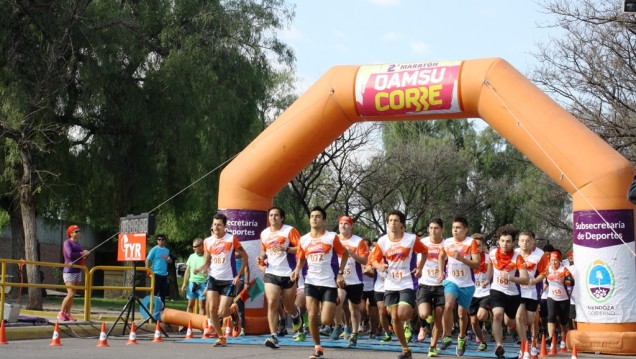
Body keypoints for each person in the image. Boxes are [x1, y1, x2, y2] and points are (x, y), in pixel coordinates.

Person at [290, 206, 349, 359]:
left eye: (318, 216)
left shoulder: (331, 237)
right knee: (311, 315)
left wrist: (340, 273)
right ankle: (318, 348)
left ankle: (334, 311)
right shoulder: (304, 239)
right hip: (311, 282)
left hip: (329, 283)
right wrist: (296, 270)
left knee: (325, 320)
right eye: (312, 216)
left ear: (324, 220)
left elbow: (345, 253)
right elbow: (302, 257)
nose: (314, 219)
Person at [369, 209, 428, 359]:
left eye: (396, 220)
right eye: (390, 220)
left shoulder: (411, 239)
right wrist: (379, 266)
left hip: (407, 281)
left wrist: (420, 268)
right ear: (387, 223)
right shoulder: (383, 241)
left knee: (402, 315)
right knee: (394, 318)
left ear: (402, 223)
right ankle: (405, 349)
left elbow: (425, 251)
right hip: (390, 283)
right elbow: (373, 260)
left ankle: (415, 313)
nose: (393, 223)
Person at [194, 213, 249, 348]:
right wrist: (200, 269)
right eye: (214, 224)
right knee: (211, 310)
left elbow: (245, 256)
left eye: (219, 225)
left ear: (225, 226)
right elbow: (207, 262)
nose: (216, 227)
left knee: (222, 312)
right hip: (213, 278)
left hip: (228, 280)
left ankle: (233, 311)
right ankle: (221, 337)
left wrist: (238, 275)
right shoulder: (207, 241)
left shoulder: (231, 239)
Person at [257, 206, 303, 349]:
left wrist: (286, 249)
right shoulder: (264, 233)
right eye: (271, 215)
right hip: (271, 272)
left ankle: (296, 316)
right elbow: (264, 250)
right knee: (272, 302)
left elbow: (302, 248)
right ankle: (273, 335)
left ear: (282, 218)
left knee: (289, 307)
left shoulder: (289, 231)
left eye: (276, 215)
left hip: (289, 273)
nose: (273, 218)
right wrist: (261, 257)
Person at [437, 216, 480, 356]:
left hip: (467, 284)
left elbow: (477, 264)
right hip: (451, 281)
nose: (455, 230)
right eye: (453, 228)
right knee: (448, 305)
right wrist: (440, 271)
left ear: (465, 229)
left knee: (462, 314)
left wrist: (461, 258)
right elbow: (441, 256)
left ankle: (461, 338)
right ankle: (447, 336)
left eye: (458, 228)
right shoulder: (447, 242)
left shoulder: (471, 242)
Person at [488, 225, 529, 359]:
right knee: (497, 315)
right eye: (502, 241)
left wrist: (511, 277)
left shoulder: (518, 258)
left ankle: (511, 329)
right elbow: (490, 266)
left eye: (508, 241)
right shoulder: (492, 253)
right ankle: (499, 345)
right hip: (497, 290)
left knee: (509, 322)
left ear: (513, 243)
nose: (505, 244)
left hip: (513, 293)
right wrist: (487, 279)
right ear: (498, 241)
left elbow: (525, 279)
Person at [332, 215, 369, 347]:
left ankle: (354, 333)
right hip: (339, 278)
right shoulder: (333, 239)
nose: (343, 226)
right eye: (341, 223)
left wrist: (352, 255)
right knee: (337, 302)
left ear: (351, 226)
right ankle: (338, 326)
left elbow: (365, 260)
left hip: (355, 280)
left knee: (354, 310)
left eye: (346, 224)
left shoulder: (358, 241)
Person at [416, 217, 447, 357]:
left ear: (442, 230)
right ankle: (425, 323)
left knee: (438, 318)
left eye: (436, 228)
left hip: (441, 285)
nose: (433, 231)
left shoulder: (446, 244)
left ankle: (433, 347)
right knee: (423, 314)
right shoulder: (422, 243)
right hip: (425, 283)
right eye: (431, 228)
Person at [514, 231, 548, 356]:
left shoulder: (540, 254)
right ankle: (524, 345)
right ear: (518, 242)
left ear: (532, 241)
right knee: (518, 316)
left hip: (533, 289)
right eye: (522, 240)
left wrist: (534, 281)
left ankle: (533, 339)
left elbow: (544, 273)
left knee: (529, 319)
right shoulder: (515, 253)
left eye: (528, 241)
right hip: (518, 289)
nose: (525, 243)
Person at [546, 250, 574, 353]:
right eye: (552, 260)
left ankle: (563, 339)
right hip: (551, 297)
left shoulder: (564, 269)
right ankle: (551, 340)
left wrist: (564, 281)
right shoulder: (548, 269)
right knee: (551, 317)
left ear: (559, 260)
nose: (553, 262)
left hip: (563, 298)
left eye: (555, 260)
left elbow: (571, 282)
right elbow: (545, 281)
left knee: (563, 321)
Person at [59, 225, 89, 321]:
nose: (78, 232)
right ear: (71, 233)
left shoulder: (78, 244)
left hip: (77, 270)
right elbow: (70, 254)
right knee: (70, 293)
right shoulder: (67, 242)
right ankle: (61, 312)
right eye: (76, 231)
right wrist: (81, 253)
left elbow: (80, 259)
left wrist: (85, 255)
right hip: (69, 271)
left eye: (79, 231)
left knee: (73, 294)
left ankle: (68, 313)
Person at [468, 233, 491, 353]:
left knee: (481, 316)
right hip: (472, 292)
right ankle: (482, 342)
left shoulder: (489, 258)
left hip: (486, 292)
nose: (477, 247)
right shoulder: (468, 258)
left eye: (479, 245)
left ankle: (483, 325)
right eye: (475, 245)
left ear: (483, 246)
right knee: (473, 321)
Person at [181, 238, 207, 316]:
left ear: (202, 246)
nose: (193, 248)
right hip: (192, 283)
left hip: (203, 283)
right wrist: (184, 283)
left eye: (195, 246)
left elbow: (210, 269)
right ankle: (187, 323)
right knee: (190, 304)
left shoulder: (207, 256)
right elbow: (187, 271)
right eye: (193, 246)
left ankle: (201, 325)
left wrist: (205, 273)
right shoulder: (191, 256)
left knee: (202, 305)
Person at [146, 234, 172, 305]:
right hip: (155, 273)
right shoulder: (154, 249)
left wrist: (169, 260)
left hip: (164, 274)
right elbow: (148, 260)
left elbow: (170, 261)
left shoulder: (167, 250)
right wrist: (148, 272)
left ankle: (161, 309)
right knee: (154, 292)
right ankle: (152, 308)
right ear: (157, 241)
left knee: (163, 294)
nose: (161, 241)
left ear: (164, 241)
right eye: (159, 239)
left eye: (162, 239)